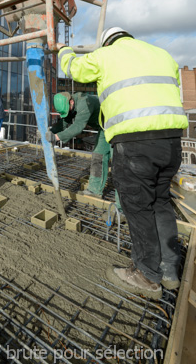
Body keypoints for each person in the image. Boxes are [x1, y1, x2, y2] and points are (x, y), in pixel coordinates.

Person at [58, 27, 188, 299]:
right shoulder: (162, 54)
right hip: (172, 140)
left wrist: (63, 50)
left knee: (138, 207)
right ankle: (169, 270)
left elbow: (75, 70)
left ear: (107, 42)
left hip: (134, 141)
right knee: (160, 202)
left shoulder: (106, 56)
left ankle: (146, 274)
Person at [51, 91, 121, 208]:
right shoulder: (71, 106)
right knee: (99, 156)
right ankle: (94, 190)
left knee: (118, 164)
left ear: (71, 101)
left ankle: (121, 206)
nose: (69, 113)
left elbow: (78, 126)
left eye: (69, 109)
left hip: (116, 125)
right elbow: (64, 122)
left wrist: (56, 137)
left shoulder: (84, 102)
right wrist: (49, 132)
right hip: (104, 127)